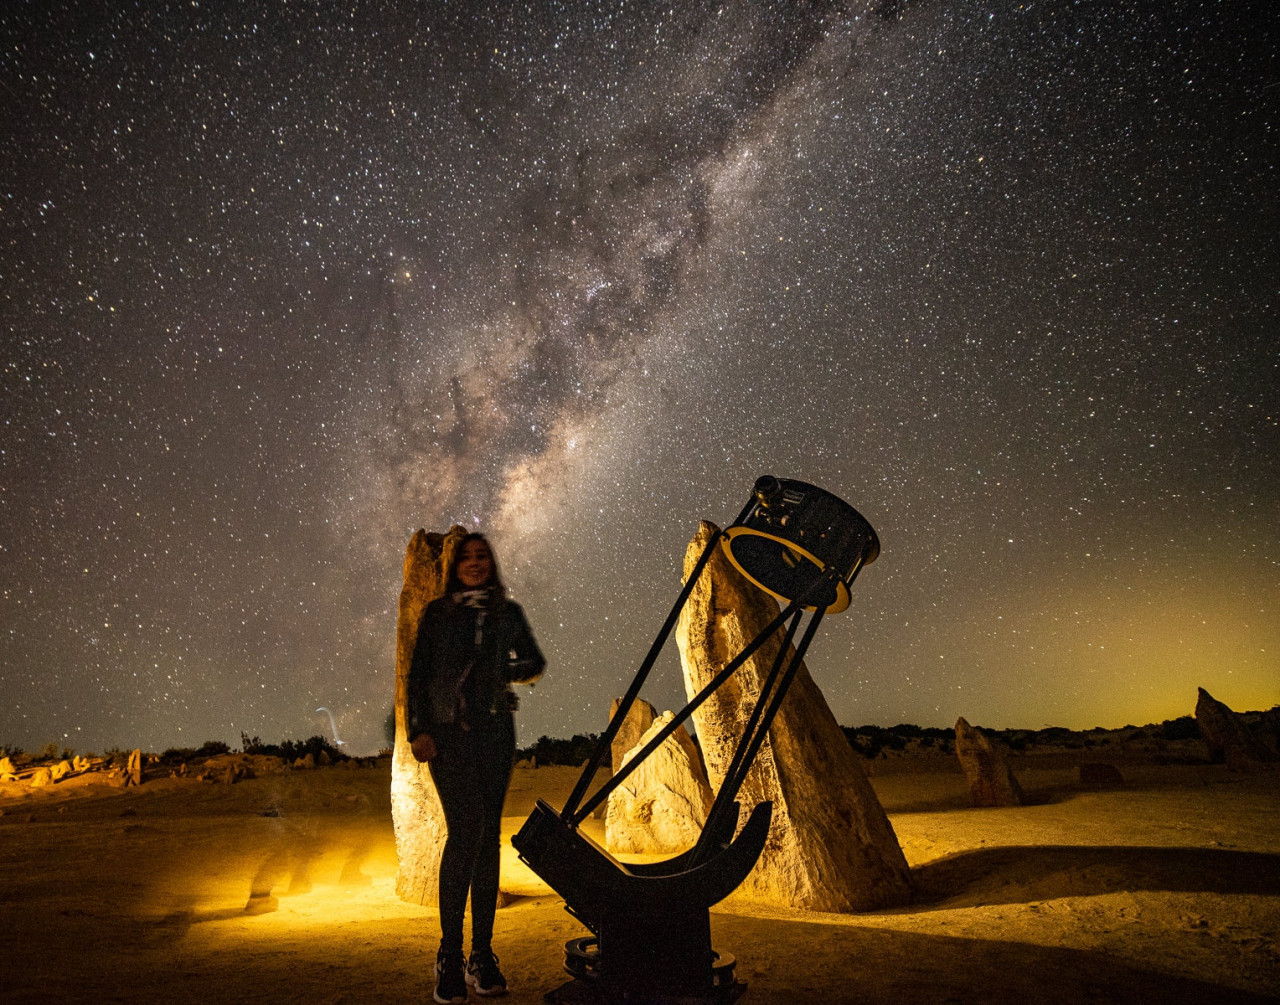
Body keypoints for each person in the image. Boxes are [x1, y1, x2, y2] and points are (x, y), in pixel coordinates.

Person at [407, 533, 545, 1003]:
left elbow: (533, 662)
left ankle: (481, 956)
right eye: (465, 557)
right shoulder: (438, 613)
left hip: (494, 734)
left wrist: (500, 671)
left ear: (491, 562)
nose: (473, 563)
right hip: (447, 734)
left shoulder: (508, 613)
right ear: (455, 566)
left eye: (481, 555)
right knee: (465, 830)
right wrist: (417, 730)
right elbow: (418, 674)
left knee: (487, 838)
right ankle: (448, 954)